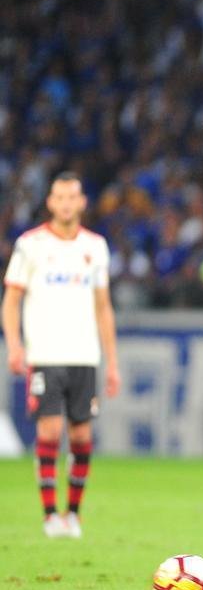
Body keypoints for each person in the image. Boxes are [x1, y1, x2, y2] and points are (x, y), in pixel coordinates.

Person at [2, 172, 121, 538]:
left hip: (85, 355)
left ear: (82, 202)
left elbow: (103, 307)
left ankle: (74, 514)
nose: (66, 204)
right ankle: (50, 514)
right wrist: (15, 344)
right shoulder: (31, 244)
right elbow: (12, 299)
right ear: (50, 202)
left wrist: (111, 361)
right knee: (51, 429)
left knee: (82, 437)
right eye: (59, 197)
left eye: (72, 197)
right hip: (46, 353)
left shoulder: (96, 246)